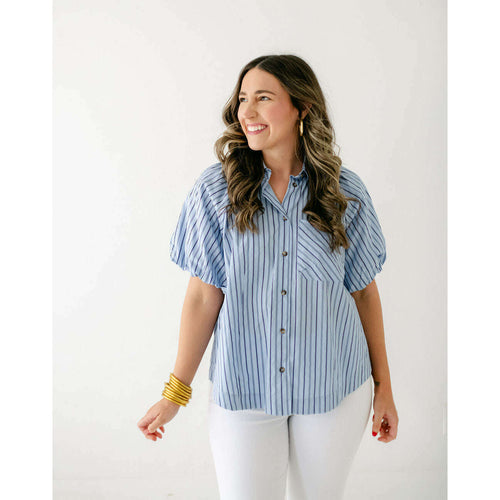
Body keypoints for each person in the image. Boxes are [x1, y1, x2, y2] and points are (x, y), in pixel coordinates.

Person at [137, 54, 399, 499]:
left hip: (333, 386)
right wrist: (174, 393)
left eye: (263, 97)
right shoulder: (216, 191)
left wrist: (384, 388)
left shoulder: (344, 192)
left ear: (301, 107)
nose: (247, 111)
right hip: (245, 388)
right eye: (243, 99)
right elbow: (202, 298)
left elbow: (363, 294)